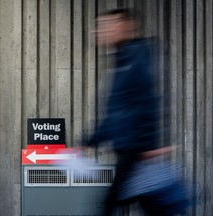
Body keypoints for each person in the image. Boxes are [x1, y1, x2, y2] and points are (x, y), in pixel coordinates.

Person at [82, 8, 191, 216]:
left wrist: (149, 145)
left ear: (125, 26)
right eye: (100, 26)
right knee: (152, 205)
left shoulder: (138, 57)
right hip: (130, 148)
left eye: (107, 25)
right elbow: (115, 113)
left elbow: (148, 101)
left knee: (109, 203)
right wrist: (89, 142)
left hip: (136, 149)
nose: (100, 31)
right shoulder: (121, 60)